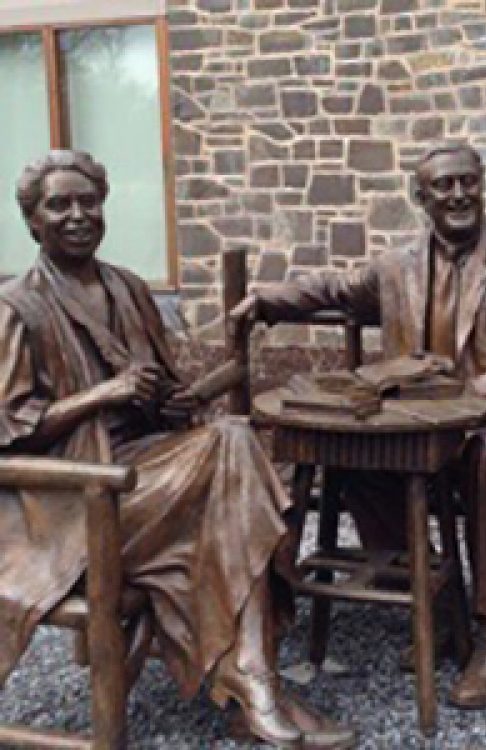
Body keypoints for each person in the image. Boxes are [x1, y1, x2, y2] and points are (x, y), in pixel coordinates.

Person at [0, 149, 355, 749]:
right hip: (71, 501)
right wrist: (99, 395)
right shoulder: (17, 306)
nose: (77, 215)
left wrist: (177, 399)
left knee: (232, 449)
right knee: (235, 465)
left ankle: (253, 678)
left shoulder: (130, 290)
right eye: (58, 205)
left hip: (149, 475)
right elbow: (9, 428)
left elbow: (160, 398)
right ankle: (254, 682)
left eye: (88, 201)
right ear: (32, 221)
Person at [232, 142, 486, 709]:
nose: (457, 194)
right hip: (422, 431)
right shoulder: (396, 266)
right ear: (420, 196)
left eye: (467, 182)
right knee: (355, 460)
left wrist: (468, 397)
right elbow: (338, 290)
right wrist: (268, 299)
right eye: (443, 185)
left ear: (482, 186)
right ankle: (439, 606)